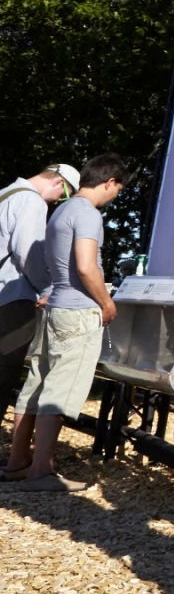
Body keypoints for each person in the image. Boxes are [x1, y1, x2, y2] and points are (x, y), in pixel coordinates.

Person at [6, 155, 129, 492]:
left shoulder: (60, 210)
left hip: (55, 308)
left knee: (35, 386)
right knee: (58, 393)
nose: (115, 196)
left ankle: (18, 462)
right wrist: (106, 302)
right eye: (117, 189)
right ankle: (41, 472)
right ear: (109, 182)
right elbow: (87, 267)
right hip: (78, 311)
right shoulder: (88, 214)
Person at [0, 164, 80, 432]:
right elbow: (28, 253)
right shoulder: (32, 201)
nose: (58, 201)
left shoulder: (6, 193)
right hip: (11, 299)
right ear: (58, 183)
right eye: (64, 195)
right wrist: (47, 288)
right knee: (3, 373)